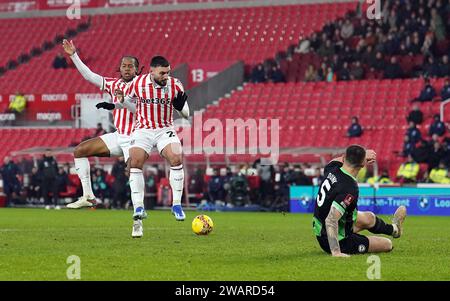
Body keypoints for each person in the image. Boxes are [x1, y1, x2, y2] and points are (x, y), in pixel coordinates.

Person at [61, 40, 139, 225]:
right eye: (124, 66)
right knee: (80, 150)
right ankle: (88, 196)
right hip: (119, 135)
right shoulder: (113, 84)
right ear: (119, 68)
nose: (127, 69)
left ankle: (138, 214)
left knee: (132, 172)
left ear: (137, 69)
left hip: (137, 137)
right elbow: (89, 76)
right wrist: (74, 55)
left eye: (131, 66)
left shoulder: (142, 86)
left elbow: (139, 109)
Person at [116, 55, 190, 237]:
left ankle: (177, 205)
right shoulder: (137, 83)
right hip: (143, 130)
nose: (166, 76)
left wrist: (181, 108)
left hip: (165, 129)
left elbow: (187, 113)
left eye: (168, 72)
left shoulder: (175, 84)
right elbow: (125, 101)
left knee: (176, 156)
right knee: (135, 161)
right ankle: (139, 207)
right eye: (162, 73)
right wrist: (121, 99)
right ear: (151, 71)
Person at [312, 145, 406, 257]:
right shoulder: (349, 187)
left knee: (369, 217)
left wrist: (362, 154)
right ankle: (343, 244)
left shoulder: (333, 167)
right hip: (334, 239)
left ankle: (395, 229)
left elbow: (337, 159)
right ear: (363, 164)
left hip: (320, 228)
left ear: (345, 157)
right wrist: (336, 252)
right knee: (387, 244)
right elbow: (331, 220)